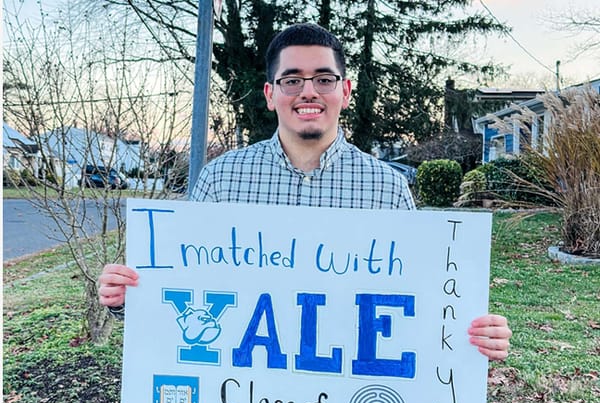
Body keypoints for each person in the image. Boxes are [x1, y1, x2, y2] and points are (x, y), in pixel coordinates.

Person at [99, 23, 511, 361]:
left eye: (324, 79)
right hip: (242, 400)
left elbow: (416, 300)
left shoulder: (387, 189)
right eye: (292, 80)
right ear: (270, 94)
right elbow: (185, 291)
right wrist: (127, 298)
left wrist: (473, 334)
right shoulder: (220, 180)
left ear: (345, 92)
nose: (308, 91)